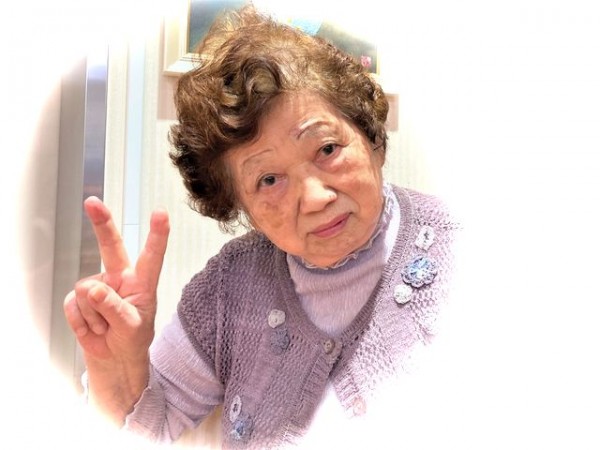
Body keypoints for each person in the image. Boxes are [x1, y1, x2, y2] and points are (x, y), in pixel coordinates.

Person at [63, 5, 460, 449]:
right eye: (269, 180)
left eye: (327, 149)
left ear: (372, 139)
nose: (314, 198)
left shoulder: (466, 248)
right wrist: (118, 370)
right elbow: (150, 425)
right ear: (243, 209)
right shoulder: (228, 286)